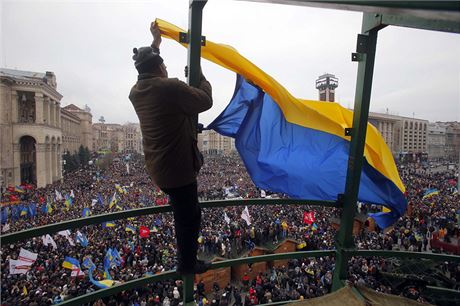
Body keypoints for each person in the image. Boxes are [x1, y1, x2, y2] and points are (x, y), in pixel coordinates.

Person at [129, 21, 213, 275]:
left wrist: (155, 44)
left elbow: (144, 70)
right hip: (178, 170)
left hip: (159, 169)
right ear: (158, 67)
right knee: (190, 218)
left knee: (183, 212)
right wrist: (200, 77)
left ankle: (185, 261)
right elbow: (206, 101)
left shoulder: (137, 90)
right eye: (163, 64)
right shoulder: (170, 87)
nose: (166, 67)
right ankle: (186, 265)